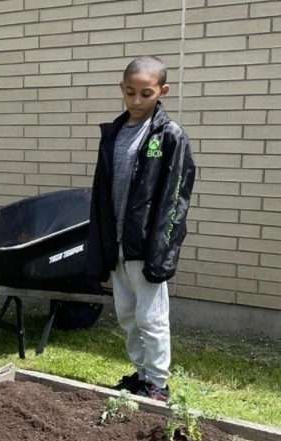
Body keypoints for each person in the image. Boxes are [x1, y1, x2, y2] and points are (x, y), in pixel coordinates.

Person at [86, 56, 196, 402]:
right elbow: (102, 194)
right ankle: (141, 374)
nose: (136, 101)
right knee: (128, 317)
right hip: (116, 243)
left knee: (151, 317)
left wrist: (162, 250)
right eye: (130, 92)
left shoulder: (169, 136)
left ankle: (159, 385)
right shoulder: (114, 134)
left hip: (145, 246)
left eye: (145, 94)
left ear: (162, 91)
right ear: (122, 89)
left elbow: (175, 198)